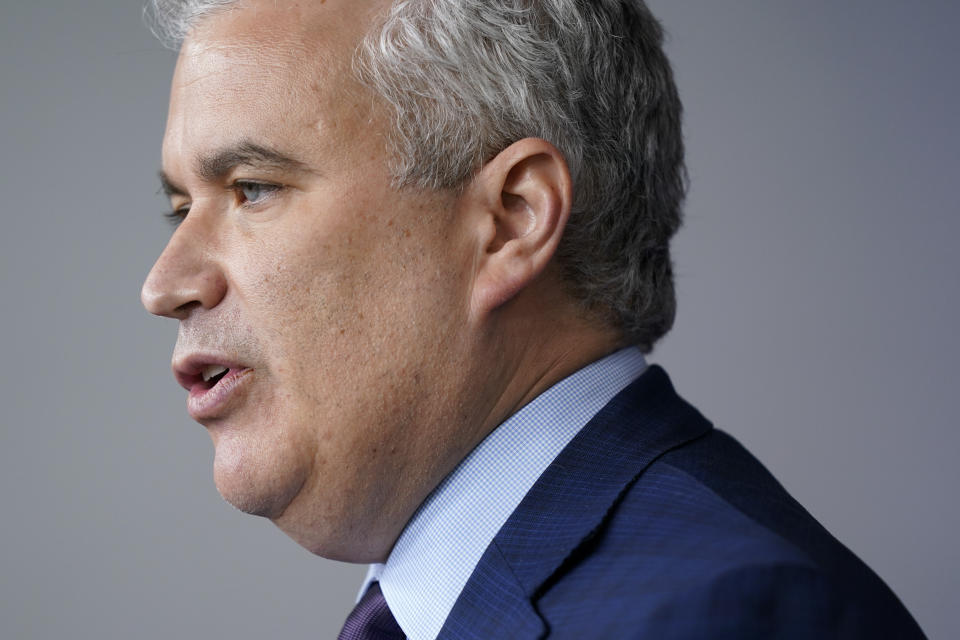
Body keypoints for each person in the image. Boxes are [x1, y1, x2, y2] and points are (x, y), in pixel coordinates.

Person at [140, 0, 924, 638]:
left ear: (512, 220)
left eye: (252, 188)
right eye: (180, 207)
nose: (164, 284)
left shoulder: (721, 617)